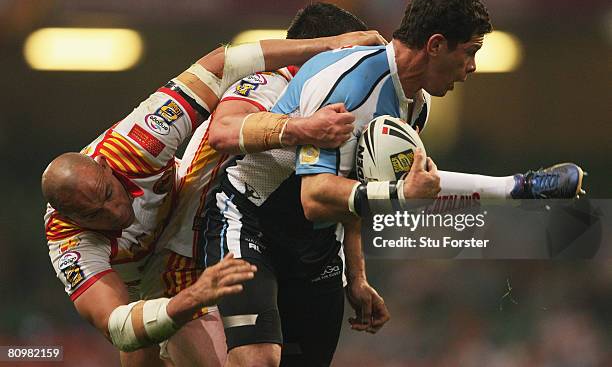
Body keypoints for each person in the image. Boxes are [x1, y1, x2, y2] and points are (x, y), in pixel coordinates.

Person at [201, 0, 585, 367]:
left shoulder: (416, 105)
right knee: (258, 360)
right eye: (470, 52)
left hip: (315, 246)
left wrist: (357, 274)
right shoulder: (349, 83)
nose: (471, 67)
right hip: (251, 222)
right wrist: (400, 194)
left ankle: (522, 186)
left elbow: (361, 183)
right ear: (435, 45)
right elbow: (315, 197)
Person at [42, 31, 386, 366]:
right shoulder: (67, 243)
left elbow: (220, 64)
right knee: (139, 347)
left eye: (107, 193)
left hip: (192, 208)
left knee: (228, 129)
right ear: (70, 218)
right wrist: (191, 298)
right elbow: (116, 324)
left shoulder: (136, 141)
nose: (116, 211)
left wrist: (329, 45)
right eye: (94, 214)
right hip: (147, 284)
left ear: (104, 166)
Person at [159, 2, 390, 365]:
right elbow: (224, 130)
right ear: (331, 51)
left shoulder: (348, 100)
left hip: (302, 249)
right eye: (357, 59)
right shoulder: (269, 83)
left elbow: (345, 188)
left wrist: (356, 276)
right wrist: (303, 128)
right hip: (203, 243)